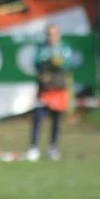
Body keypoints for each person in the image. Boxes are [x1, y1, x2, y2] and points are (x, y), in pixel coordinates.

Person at [26, 24, 72, 162]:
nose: (52, 37)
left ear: (58, 35)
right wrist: (43, 70)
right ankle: (33, 148)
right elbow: (36, 63)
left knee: (56, 121)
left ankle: (53, 148)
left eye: (54, 34)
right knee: (37, 117)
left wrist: (58, 62)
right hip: (44, 90)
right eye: (49, 34)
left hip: (58, 89)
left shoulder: (64, 48)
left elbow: (68, 64)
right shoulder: (41, 48)